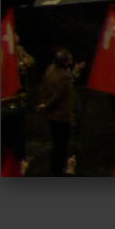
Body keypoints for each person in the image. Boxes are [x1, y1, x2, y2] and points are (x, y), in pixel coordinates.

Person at [36, 47, 79, 176]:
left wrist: (43, 103)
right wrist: (46, 105)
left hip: (52, 114)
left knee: (56, 142)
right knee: (61, 144)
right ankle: (58, 170)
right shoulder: (65, 76)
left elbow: (43, 87)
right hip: (62, 115)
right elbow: (58, 96)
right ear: (65, 62)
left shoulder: (50, 69)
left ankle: (55, 168)